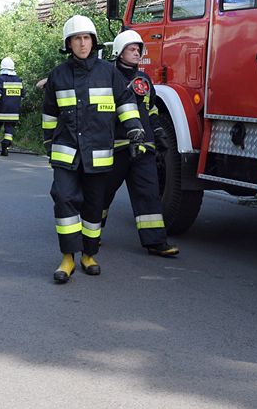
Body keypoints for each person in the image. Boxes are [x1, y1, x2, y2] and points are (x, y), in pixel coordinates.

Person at [42, 15, 146, 283]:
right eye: (77, 38)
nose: (82, 43)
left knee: (93, 206)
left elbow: (125, 100)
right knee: (64, 199)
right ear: (69, 43)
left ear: (94, 41)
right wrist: (47, 142)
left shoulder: (108, 72)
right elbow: (50, 113)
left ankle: (89, 254)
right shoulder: (58, 75)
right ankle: (68, 258)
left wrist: (134, 128)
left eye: (86, 37)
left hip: (98, 153)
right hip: (66, 153)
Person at [102, 30, 179, 257]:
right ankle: (90, 236)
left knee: (149, 193)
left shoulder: (143, 80)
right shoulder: (107, 77)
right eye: (132, 49)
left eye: (138, 50)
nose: (137, 53)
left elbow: (151, 109)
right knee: (102, 194)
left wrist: (158, 132)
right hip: (116, 147)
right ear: (119, 52)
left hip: (144, 147)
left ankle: (156, 242)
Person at [0, 57, 24, 156]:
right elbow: (22, 95)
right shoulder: (18, 80)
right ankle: (5, 147)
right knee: (9, 130)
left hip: (0, 111)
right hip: (13, 113)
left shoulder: (0, 79)